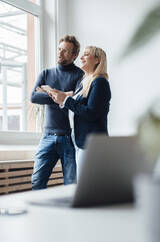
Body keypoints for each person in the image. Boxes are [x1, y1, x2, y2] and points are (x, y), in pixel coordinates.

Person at [30, 35, 84, 190]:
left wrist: (49, 93)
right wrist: (63, 95)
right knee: (37, 182)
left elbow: (77, 100)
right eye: (59, 49)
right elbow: (34, 97)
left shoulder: (80, 76)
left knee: (71, 186)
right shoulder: (46, 73)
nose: (60, 53)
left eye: (66, 51)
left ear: (74, 55)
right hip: (47, 137)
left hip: (69, 138)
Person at [49, 46, 111, 178]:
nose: (81, 58)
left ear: (97, 60)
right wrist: (62, 98)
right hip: (80, 143)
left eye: (86, 54)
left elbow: (91, 113)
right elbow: (77, 107)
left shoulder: (100, 82)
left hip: (92, 146)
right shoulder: (85, 83)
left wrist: (66, 100)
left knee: (89, 187)